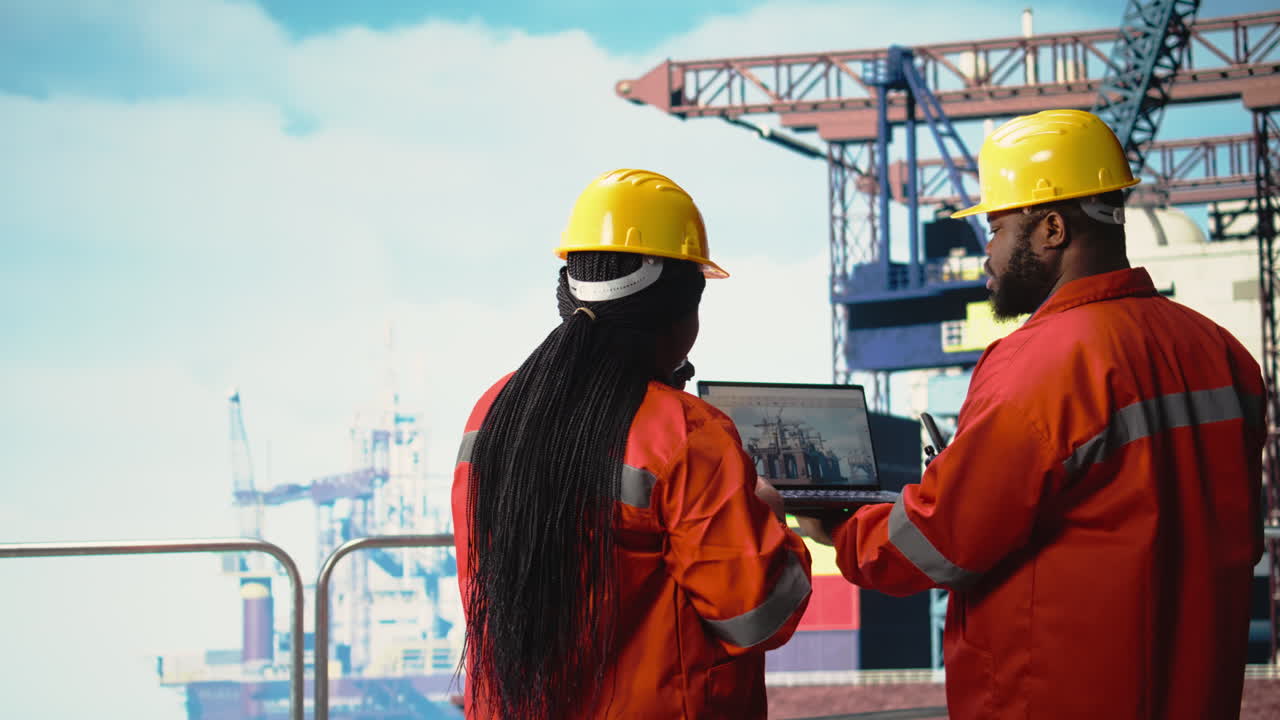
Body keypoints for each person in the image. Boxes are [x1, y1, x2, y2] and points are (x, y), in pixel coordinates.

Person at [799, 109, 1266, 720]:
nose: (985, 254)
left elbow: (944, 541)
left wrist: (838, 525)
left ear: (1050, 228)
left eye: (994, 229)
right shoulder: (1220, 351)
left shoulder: (1040, 365)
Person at [452, 168, 813, 719]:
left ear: (567, 296)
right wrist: (767, 515)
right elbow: (756, 615)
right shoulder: (688, 434)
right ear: (682, 312)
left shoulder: (493, 410)